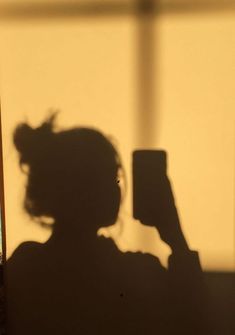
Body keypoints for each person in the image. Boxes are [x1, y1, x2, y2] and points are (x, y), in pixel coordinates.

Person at [6, 115, 208, 334]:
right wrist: (175, 237)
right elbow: (196, 324)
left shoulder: (25, 266)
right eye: (108, 178)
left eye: (116, 179)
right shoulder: (137, 272)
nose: (115, 189)